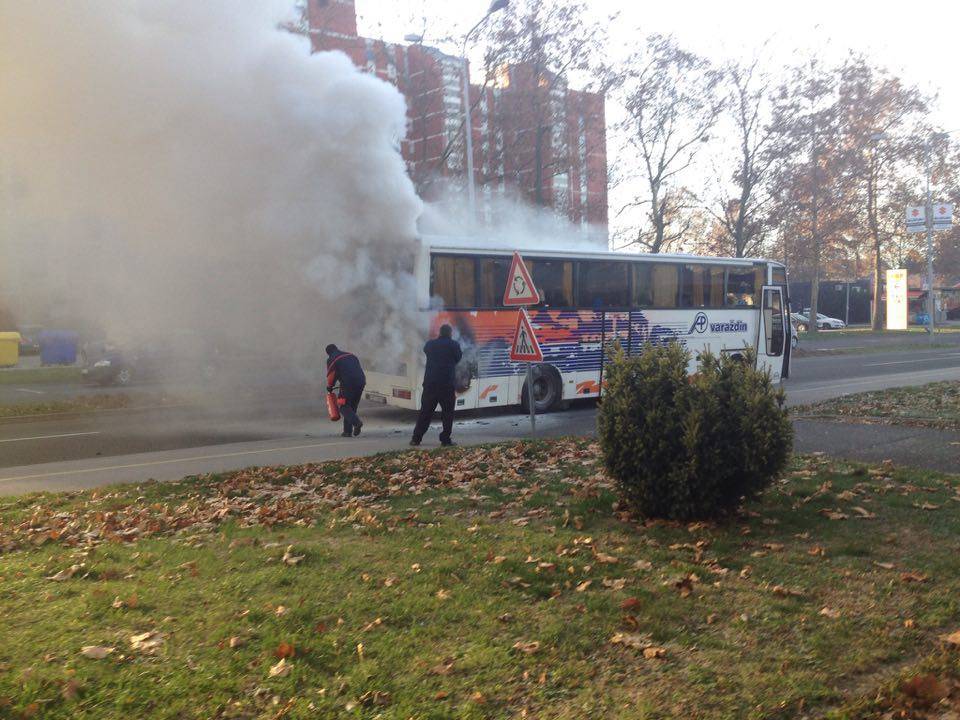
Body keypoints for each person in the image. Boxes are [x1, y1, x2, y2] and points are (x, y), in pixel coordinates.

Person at [410, 324, 462, 447]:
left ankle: (416, 439)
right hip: (446, 385)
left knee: (425, 412)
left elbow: (425, 351)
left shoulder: (430, 344)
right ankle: (445, 439)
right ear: (450, 333)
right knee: (447, 414)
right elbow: (458, 358)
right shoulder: (454, 345)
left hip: (430, 384)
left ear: (440, 332)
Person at [326, 344, 366, 438]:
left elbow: (332, 375)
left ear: (328, 353)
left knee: (343, 407)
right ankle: (347, 432)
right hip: (361, 382)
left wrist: (330, 386)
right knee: (351, 408)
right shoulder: (350, 355)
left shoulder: (332, 359)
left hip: (348, 384)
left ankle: (357, 423)